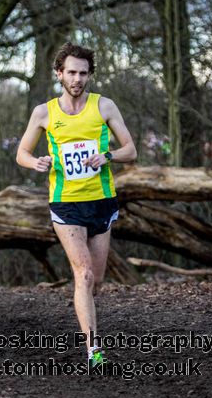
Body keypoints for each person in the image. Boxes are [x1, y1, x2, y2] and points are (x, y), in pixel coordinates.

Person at [16, 42, 137, 370]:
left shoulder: (104, 106)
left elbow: (131, 150)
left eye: (83, 73)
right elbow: (21, 153)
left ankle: (87, 322)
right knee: (82, 274)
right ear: (59, 74)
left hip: (101, 202)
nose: (77, 78)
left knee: (96, 281)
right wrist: (36, 163)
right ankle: (94, 350)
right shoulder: (44, 112)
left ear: (90, 75)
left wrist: (108, 156)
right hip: (66, 204)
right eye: (71, 72)